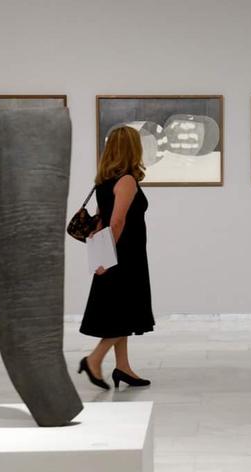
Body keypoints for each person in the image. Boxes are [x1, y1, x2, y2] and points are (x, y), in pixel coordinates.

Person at [78, 126, 155, 389]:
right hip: (124, 256)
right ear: (133, 149)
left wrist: (99, 257)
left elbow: (100, 221)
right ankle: (94, 359)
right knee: (126, 312)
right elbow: (117, 221)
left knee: (119, 312)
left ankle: (123, 367)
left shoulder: (105, 181)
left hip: (113, 255)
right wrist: (107, 258)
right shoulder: (127, 181)